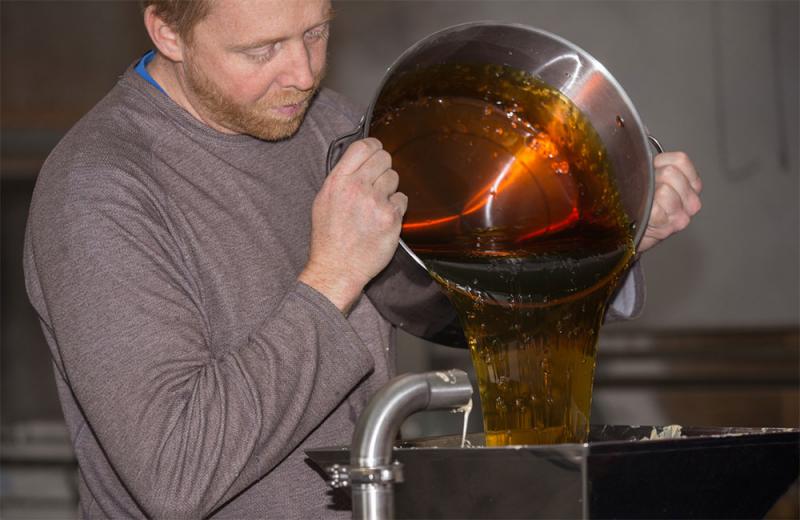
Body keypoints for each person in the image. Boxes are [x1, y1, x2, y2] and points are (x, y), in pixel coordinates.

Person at [23, 0, 702, 518]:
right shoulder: (100, 191)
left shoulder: (326, 122)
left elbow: (448, 291)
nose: (303, 73)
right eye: (261, 50)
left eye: (317, 32)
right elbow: (176, 472)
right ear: (167, 32)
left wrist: (605, 239)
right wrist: (333, 275)